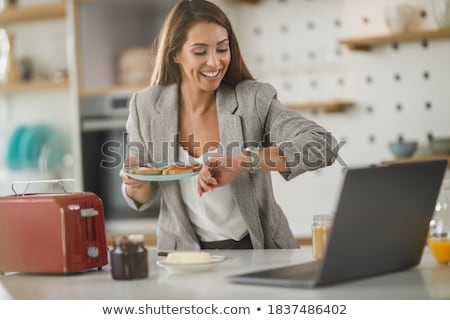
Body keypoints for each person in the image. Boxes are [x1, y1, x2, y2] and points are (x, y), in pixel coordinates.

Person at [120, 0, 338, 250]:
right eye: (200, 51)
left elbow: (323, 145)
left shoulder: (253, 99)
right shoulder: (145, 106)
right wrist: (136, 183)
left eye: (222, 49)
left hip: (259, 248)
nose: (214, 62)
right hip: (185, 256)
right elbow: (141, 197)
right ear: (176, 54)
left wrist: (243, 162)